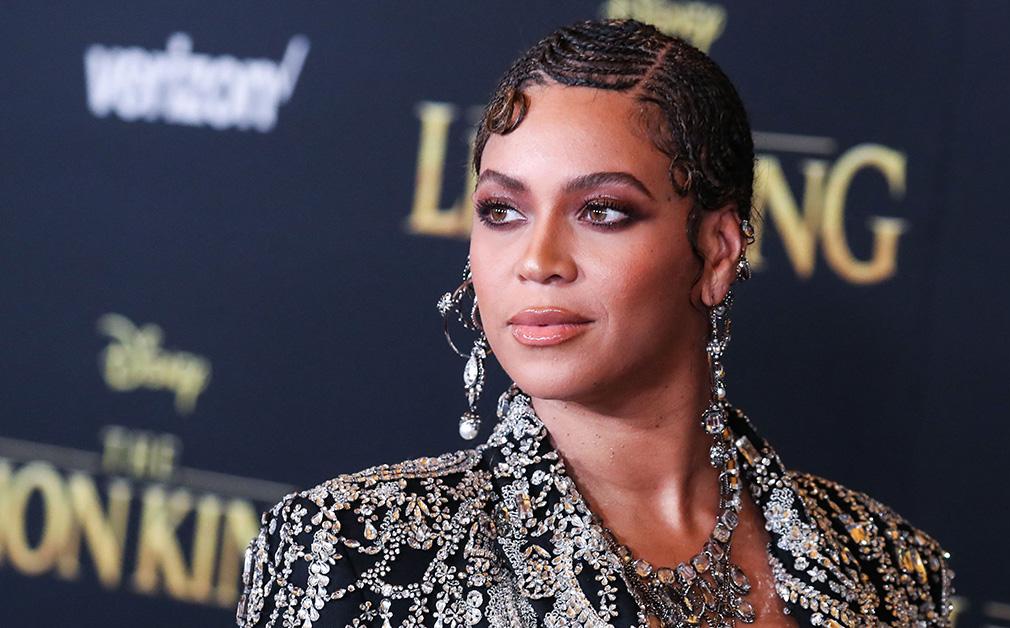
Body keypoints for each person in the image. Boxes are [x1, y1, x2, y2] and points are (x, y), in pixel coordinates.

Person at [236, 17, 954, 628]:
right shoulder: (347, 551)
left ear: (714, 252)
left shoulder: (890, 566)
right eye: (502, 211)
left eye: (602, 210)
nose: (537, 260)